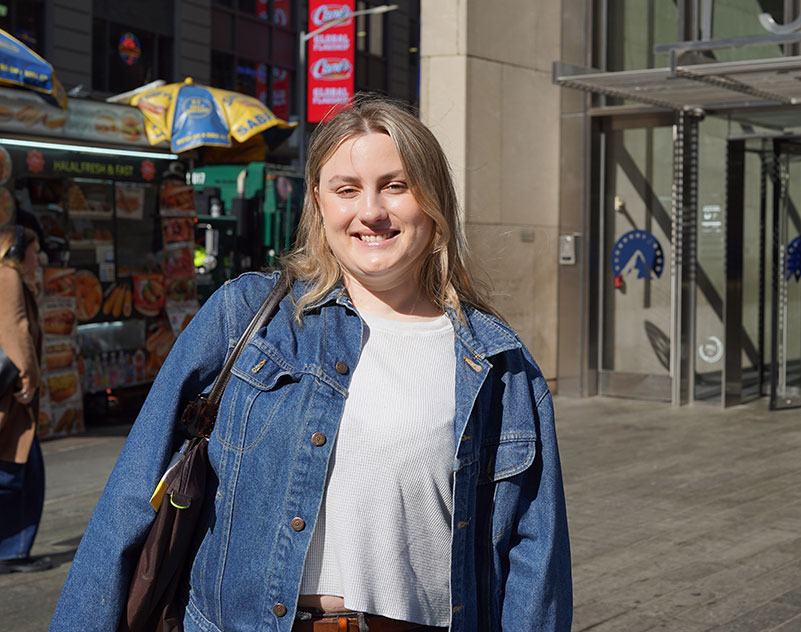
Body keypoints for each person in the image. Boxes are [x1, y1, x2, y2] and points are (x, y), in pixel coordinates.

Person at [51, 94, 572, 631]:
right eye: (347, 189)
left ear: (433, 199)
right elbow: (130, 499)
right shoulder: (247, 316)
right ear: (319, 202)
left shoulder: (499, 365)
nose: (371, 211)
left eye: (395, 185)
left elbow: (535, 564)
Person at [0, 224, 53, 574]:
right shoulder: (8, 277)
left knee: (23, 470)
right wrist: (29, 380)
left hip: (10, 394)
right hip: (12, 396)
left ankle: (12, 550)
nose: (39, 257)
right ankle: (11, 551)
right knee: (18, 474)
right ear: (16, 251)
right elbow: (15, 328)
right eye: (34, 250)